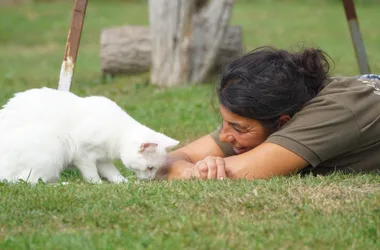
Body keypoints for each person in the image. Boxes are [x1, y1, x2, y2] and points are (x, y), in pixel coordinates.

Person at [157, 46, 380, 180]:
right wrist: (184, 169)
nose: (225, 136)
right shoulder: (287, 99)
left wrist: (191, 172)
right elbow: (164, 162)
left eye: (238, 128)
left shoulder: (335, 112)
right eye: (226, 123)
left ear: (283, 123)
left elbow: (247, 171)